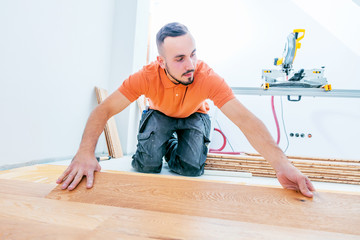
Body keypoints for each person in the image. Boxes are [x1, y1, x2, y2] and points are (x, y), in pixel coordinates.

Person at [57, 22, 315, 197]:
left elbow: (246, 120)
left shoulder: (207, 77)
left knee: (191, 168)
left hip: (195, 114)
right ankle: (161, 142)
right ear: (162, 61)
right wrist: (84, 153)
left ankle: (169, 144)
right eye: (180, 59)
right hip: (160, 114)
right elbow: (102, 111)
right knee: (147, 166)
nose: (190, 64)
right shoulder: (145, 77)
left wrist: (282, 165)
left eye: (193, 54)